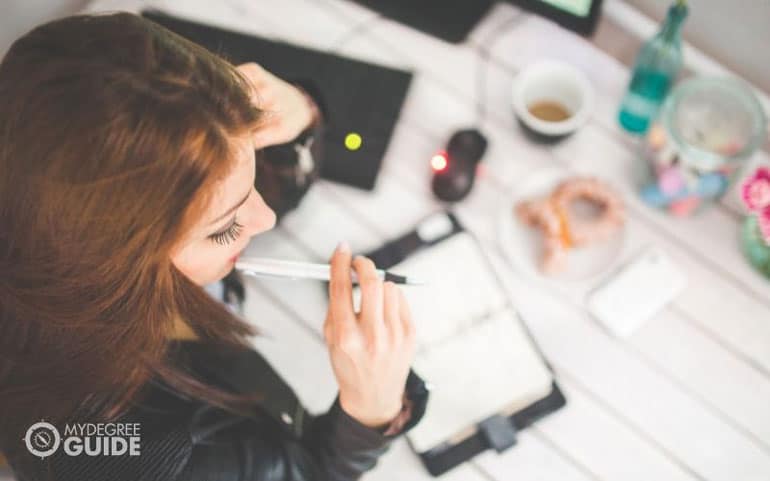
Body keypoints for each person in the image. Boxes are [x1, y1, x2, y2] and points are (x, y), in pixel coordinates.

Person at [0, 12, 428, 481]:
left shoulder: (51, 187)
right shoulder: (127, 454)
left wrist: (300, 112)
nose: (264, 220)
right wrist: (370, 413)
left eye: (252, 165)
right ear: (115, 262)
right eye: (223, 229)